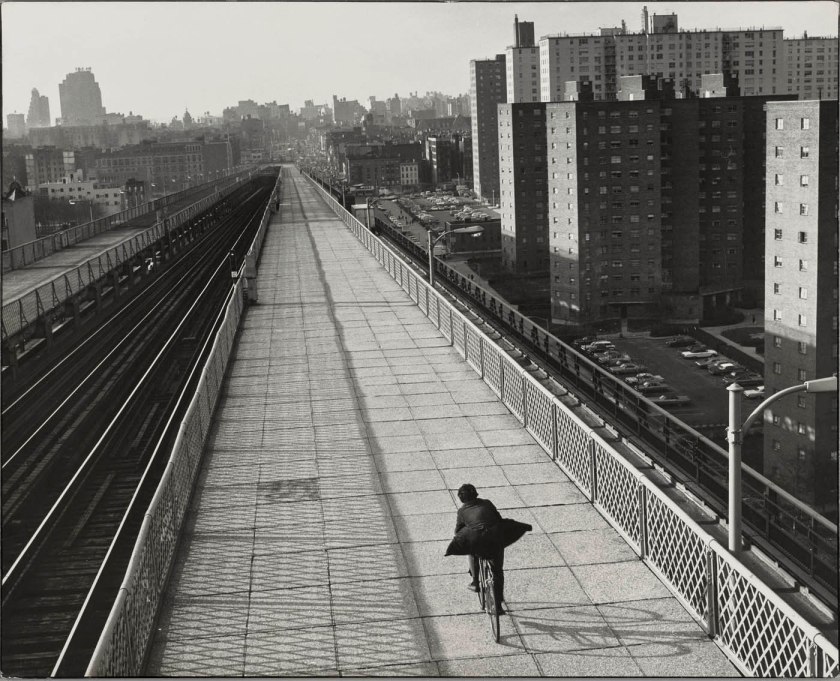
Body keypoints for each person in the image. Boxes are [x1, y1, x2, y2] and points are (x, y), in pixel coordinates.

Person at [453, 483, 506, 615]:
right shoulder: (487, 503)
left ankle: (476, 582)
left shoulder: (462, 511)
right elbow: (499, 519)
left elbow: (458, 531)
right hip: (495, 540)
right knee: (497, 571)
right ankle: (498, 605)